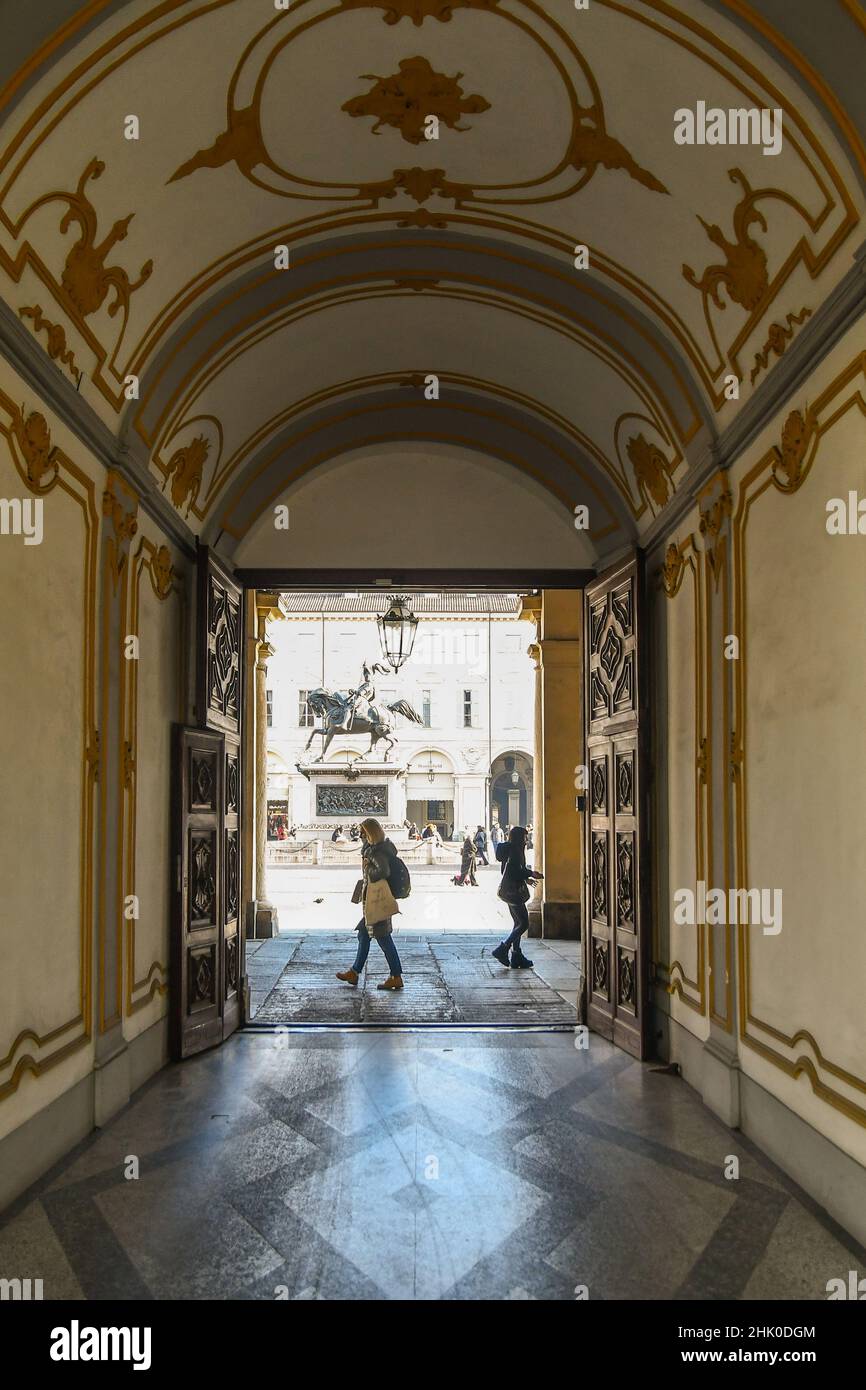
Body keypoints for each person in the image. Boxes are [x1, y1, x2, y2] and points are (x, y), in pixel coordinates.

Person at [336, 818, 404, 990]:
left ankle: (396, 976)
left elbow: (382, 872)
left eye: (363, 832)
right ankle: (355, 971)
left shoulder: (376, 852)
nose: (360, 835)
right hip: (373, 902)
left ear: (370, 834)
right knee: (363, 934)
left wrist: (368, 868)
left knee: (384, 938)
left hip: (377, 902)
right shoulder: (376, 849)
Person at [491, 826, 543, 969]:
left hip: (508, 891)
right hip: (515, 893)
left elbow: (507, 870)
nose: (527, 840)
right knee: (524, 923)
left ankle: (516, 956)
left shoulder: (509, 849)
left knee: (517, 923)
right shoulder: (516, 851)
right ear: (520, 838)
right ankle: (503, 948)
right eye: (525, 837)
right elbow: (515, 871)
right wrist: (531, 873)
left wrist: (526, 877)